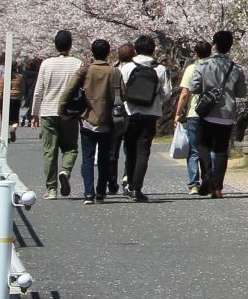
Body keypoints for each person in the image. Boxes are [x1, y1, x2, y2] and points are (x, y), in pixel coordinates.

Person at [24, 31, 85, 197]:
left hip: (48, 111)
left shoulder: (46, 64)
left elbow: (38, 91)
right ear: (70, 45)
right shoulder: (78, 63)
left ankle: (51, 188)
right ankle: (64, 171)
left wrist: (34, 114)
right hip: (69, 112)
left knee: (49, 150)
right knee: (70, 148)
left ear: (55, 45)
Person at [192, 30, 248, 197]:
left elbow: (194, 87)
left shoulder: (203, 65)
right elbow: (241, 92)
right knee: (221, 150)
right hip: (227, 114)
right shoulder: (236, 68)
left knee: (203, 145)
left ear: (214, 45)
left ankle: (207, 176)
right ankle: (218, 187)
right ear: (230, 47)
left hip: (208, 112)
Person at [117, 34, 166, 201]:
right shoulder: (160, 69)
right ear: (153, 50)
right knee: (143, 152)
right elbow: (165, 94)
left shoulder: (127, 67)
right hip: (151, 114)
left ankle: (129, 183)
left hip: (130, 113)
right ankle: (136, 188)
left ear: (135, 49)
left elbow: (120, 91)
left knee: (130, 150)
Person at [77, 39, 125, 205]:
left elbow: (70, 90)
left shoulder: (85, 70)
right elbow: (123, 94)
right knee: (105, 157)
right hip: (108, 120)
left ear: (92, 52)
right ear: (108, 53)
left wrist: (64, 109)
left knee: (88, 158)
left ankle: (88, 192)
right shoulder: (115, 72)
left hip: (87, 118)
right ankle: (101, 191)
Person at [171, 39, 212, 195]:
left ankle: (193, 184)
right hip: (211, 114)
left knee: (194, 150)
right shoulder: (215, 68)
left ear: (195, 53)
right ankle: (208, 180)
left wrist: (177, 114)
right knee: (208, 149)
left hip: (194, 113)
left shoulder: (192, 68)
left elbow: (185, 93)